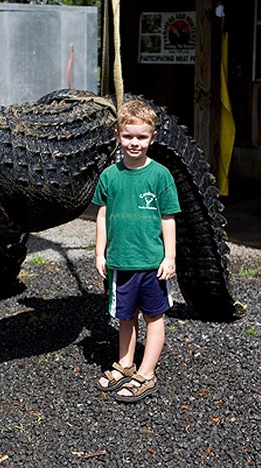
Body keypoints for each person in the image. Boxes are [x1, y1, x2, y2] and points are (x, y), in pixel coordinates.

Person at [92, 99, 181, 403]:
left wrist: (170, 257)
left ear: (152, 138)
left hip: (152, 263)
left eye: (141, 137)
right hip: (121, 261)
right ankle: (126, 363)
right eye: (128, 136)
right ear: (117, 136)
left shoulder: (160, 176)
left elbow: (168, 219)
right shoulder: (109, 177)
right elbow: (102, 216)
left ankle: (146, 372)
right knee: (125, 317)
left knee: (154, 317)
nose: (134, 142)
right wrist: (99, 252)